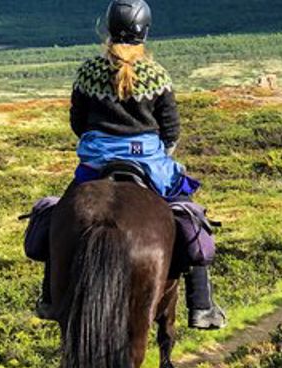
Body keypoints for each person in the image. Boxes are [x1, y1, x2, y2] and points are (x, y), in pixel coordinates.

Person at [37, 0, 226, 329]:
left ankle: (50, 298)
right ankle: (202, 306)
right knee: (190, 215)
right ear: (145, 32)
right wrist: (162, 153)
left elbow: (78, 123)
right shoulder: (156, 75)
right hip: (149, 162)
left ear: (109, 28)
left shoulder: (89, 72)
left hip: (97, 162)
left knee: (62, 214)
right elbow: (171, 130)